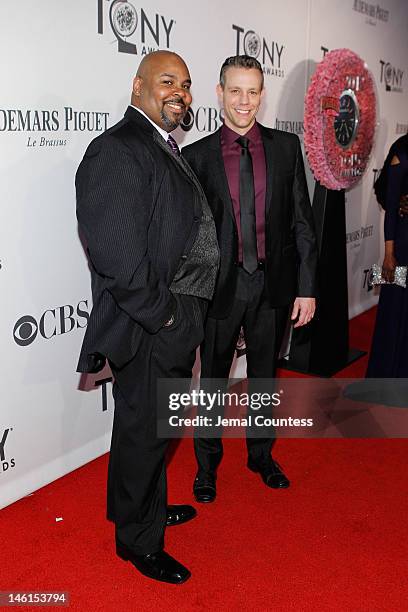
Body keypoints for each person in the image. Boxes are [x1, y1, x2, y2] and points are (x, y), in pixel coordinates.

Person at [75, 51, 219, 584]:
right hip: (154, 321)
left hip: (174, 313)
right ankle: (137, 541)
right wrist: (166, 318)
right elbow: (115, 255)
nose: (178, 90)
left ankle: (148, 512)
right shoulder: (117, 149)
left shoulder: (159, 145)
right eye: (166, 81)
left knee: (154, 427)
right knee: (143, 430)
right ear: (137, 86)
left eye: (185, 83)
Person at [183, 56, 318, 503]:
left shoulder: (285, 147)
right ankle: (206, 467)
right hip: (220, 289)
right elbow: (189, 234)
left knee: (264, 378)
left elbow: (302, 221)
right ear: (219, 93)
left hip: (271, 284)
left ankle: (261, 456)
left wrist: (307, 286)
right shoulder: (196, 156)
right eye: (235, 91)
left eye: (253, 91)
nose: (244, 101)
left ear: (262, 94)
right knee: (214, 382)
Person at [366, 133, 408, 377]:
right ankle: (388, 373)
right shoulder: (401, 153)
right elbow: (391, 207)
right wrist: (389, 254)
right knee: (394, 310)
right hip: (402, 246)